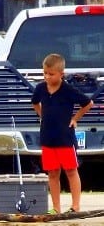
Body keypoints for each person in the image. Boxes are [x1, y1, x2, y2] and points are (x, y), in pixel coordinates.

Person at [31, 53, 93, 213]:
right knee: (52, 173)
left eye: (51, 74)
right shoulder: (40, 89)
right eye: (44, 73)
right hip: (47, 137)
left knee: (71, 170)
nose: (47, 77)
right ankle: (56, 208)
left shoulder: (68, 90)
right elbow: (35, 102)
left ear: (61, 74)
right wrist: (42, 115)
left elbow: (88, 103)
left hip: (65, 138)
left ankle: (75, 205)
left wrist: (75, 118)